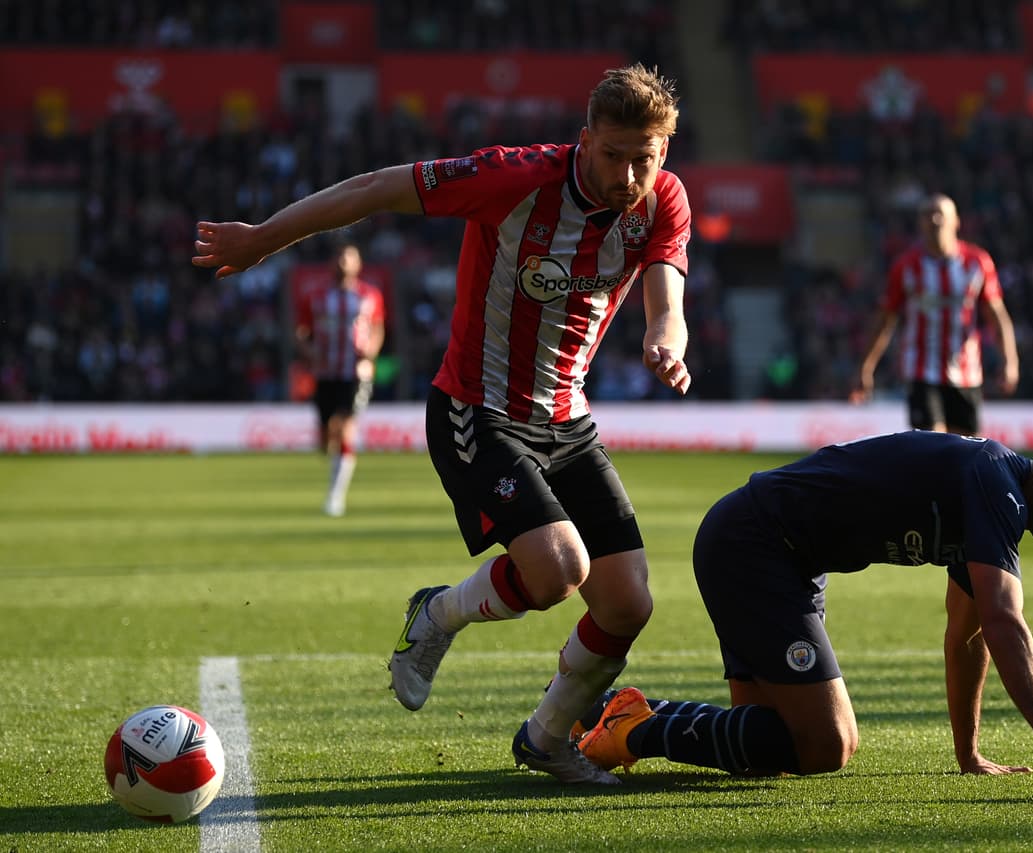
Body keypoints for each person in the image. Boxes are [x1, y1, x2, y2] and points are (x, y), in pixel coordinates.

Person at [192, 64, 692, 785]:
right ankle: (438, 613)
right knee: (557, 571)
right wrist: (265, 238)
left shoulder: (663, 200)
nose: (627, 172)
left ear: (664, 152)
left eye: (644, 156)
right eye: (613, 154)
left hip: (567, 420)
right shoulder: (514, 178)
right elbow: (378, 187)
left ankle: (549, 737)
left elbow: (666, 290)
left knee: (626, 603)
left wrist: (665, 338)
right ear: (586, 141)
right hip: (475, 409)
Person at [575, 424, 1033, 791]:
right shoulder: (995, 484)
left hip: (779, 561)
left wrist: (968, 752)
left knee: (772, 747)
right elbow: (1005, 621)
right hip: (755, 545)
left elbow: (968, 635)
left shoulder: (992, 501)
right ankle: (636, 731)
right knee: (828, 745)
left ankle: (603, 709)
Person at [850, 194, 1019, 434]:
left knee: (966, 452)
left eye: (941, 213)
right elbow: (885, 321)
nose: (935, 219)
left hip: (967, 371)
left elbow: (997, 315)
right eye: (928, 214)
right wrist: (865, 367)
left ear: (956, 221)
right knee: (932, 447)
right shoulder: (906, 267)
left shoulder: (977, 262)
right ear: (920, 223)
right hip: (921, 370)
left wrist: (1010, 360)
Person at [295, 242, 385, 517]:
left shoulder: (370, 296)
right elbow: (301, 331)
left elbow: (378, 328)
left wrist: (372, 350)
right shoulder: (316, 296)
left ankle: (335, 497)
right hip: (325, 372)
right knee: (326, 437)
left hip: (356, 372)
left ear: (358, 263)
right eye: (339, 257)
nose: (344, 262)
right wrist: (308, 349)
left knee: (346, 425)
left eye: (349, 257)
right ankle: (333, 458)